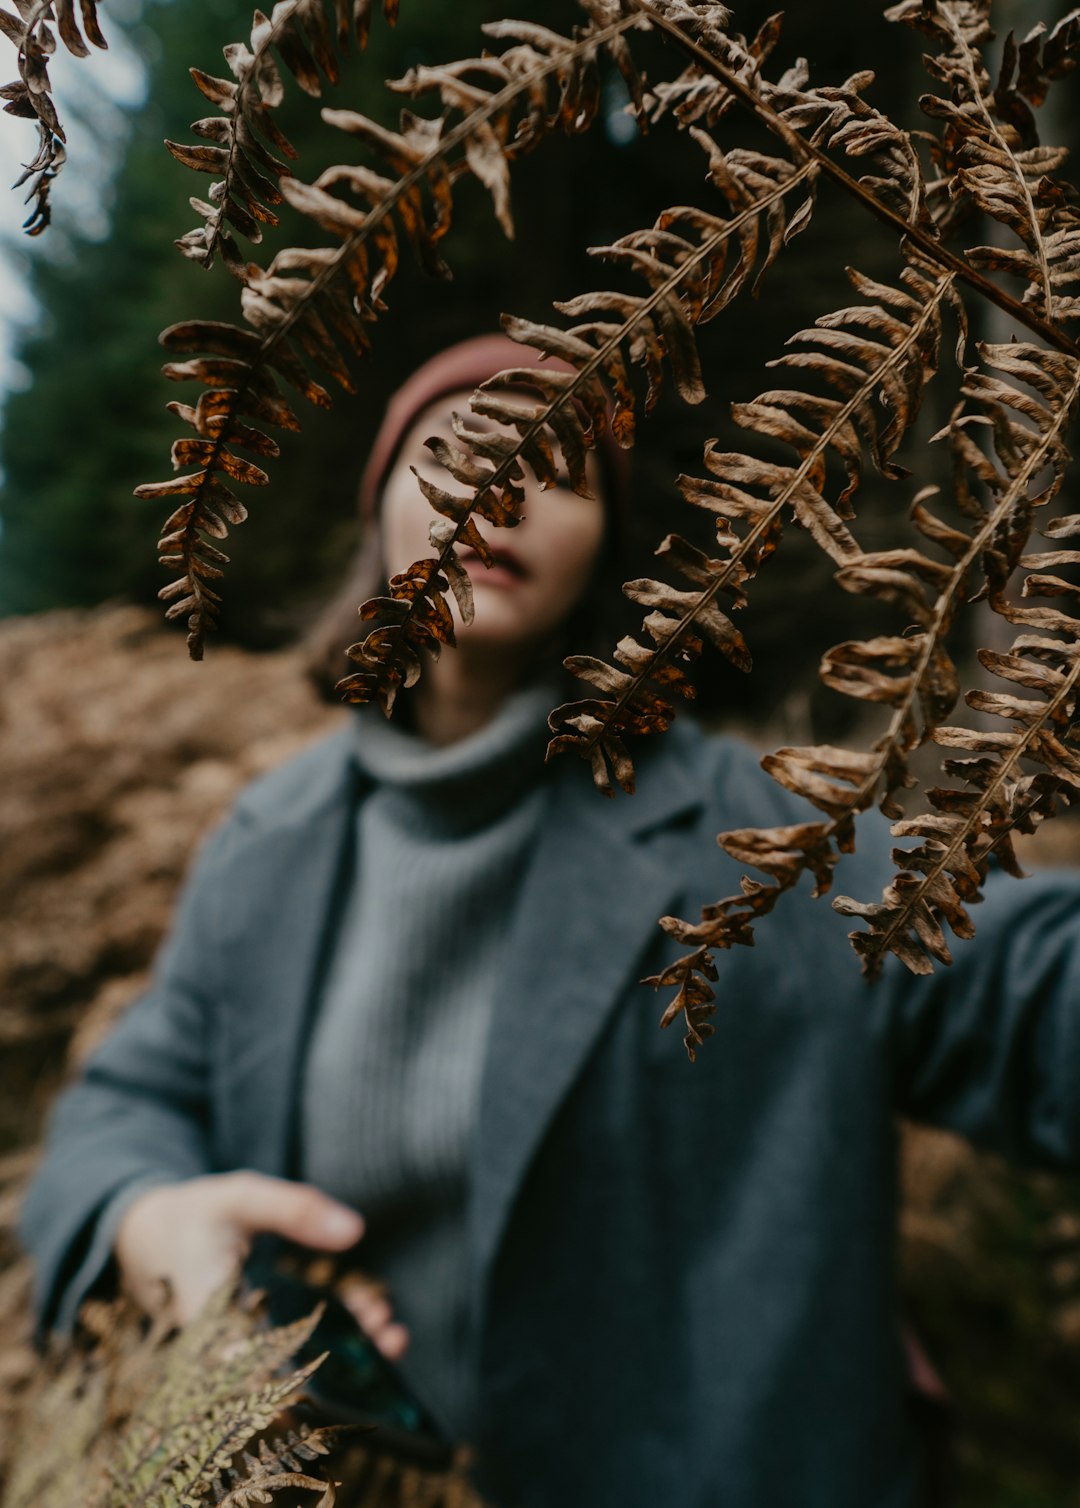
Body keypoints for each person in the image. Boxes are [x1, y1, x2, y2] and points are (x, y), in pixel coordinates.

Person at [19, 334, 1080, 1508]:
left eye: (561, 468)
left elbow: (1027, 981)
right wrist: (151, 1218)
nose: (499, 486)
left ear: (605, 556)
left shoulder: (754, 840)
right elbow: (124, 1106)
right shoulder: (271, 844)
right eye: (453, 451)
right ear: (378, 513)